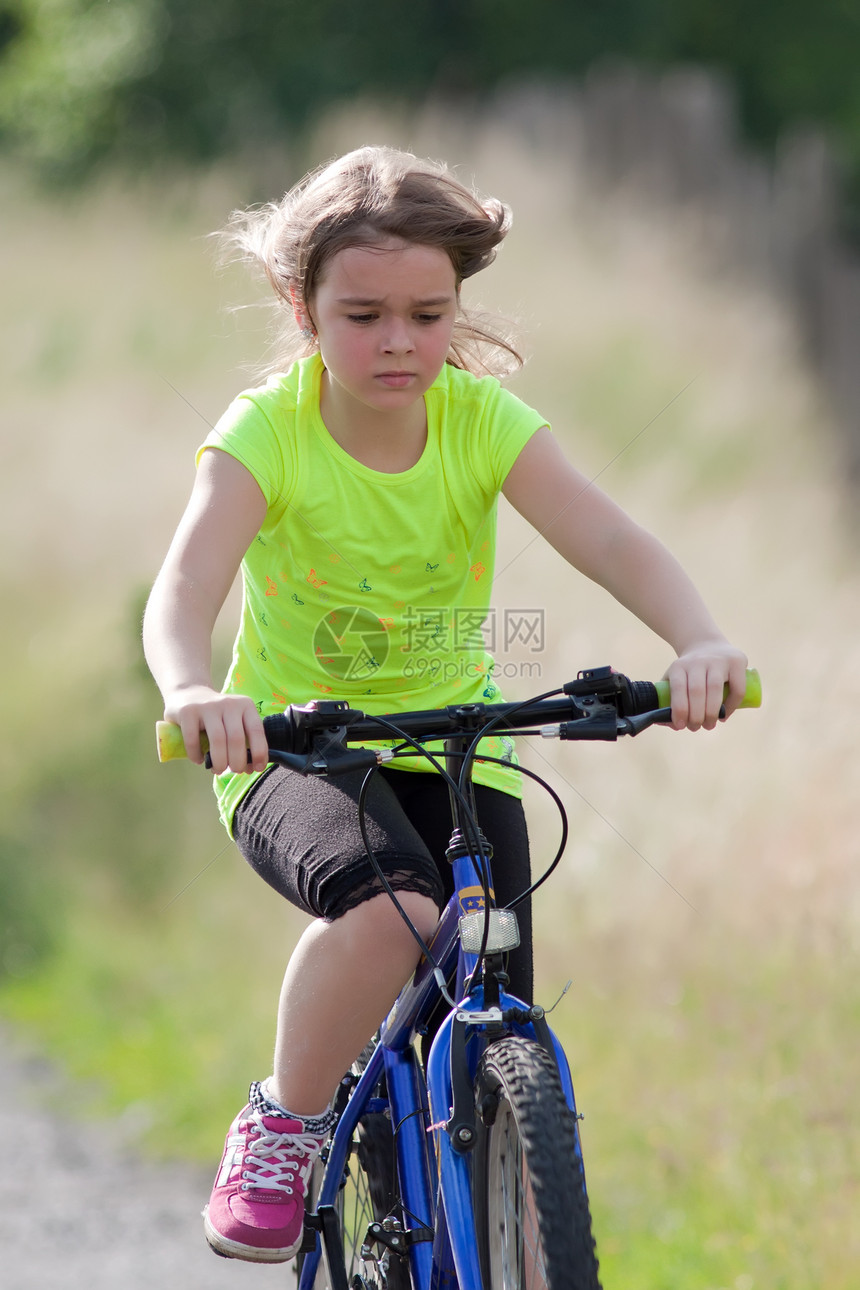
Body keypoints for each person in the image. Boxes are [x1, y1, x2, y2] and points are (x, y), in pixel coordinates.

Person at [143, 145, 748, 1264]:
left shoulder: (480, 422)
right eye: (363, 314)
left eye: (427, 314)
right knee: (395, 917)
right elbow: (182, 587)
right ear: (301, 305)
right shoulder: (267, 431)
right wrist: (194, 688)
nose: (398, 342)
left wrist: (696, 639)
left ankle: (500, 1216)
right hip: (296, 753)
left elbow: (608, 537)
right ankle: (285, 1117)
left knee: (492, 1006)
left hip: (454, 745)